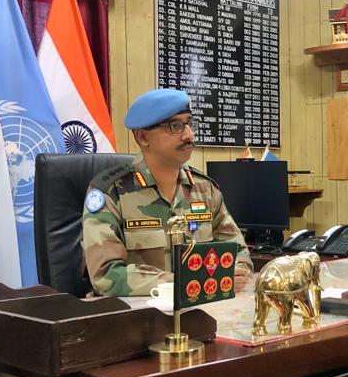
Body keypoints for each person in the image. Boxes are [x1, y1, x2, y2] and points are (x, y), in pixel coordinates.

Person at [82, 88, 253, 297]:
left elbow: (238, 251)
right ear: (143, 137)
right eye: (175, 126)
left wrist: (237, 270)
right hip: (136, 312)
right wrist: (183, 281)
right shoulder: (110, 193)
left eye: (189, 123)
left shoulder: (205, 189)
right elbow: (106, 275)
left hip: (202, 306)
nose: (189, 135)